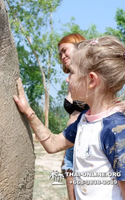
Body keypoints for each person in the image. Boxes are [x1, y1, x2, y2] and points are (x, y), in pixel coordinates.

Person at [13, 35, 125, 199]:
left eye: (72, 72)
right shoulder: (84, 121)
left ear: (91, 80)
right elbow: (52, 144)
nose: (66, 79)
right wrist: (27, 110)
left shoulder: (116, 129)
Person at [58, 33, 89, 200]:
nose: (62, 56)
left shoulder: (91, 75)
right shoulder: (70, 79)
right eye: (60, 54)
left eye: (65, 51)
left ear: (78, 46)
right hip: (70, 144)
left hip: (87, 144)